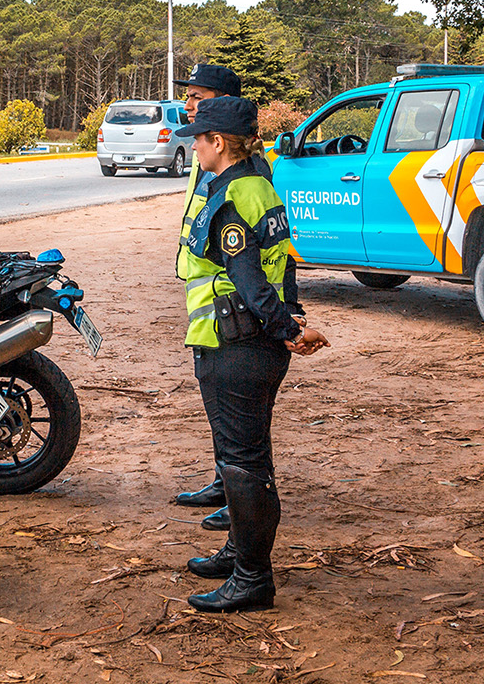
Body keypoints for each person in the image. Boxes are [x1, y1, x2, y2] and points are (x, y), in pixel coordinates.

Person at [173, 95, 328, 612]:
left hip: (235, 341)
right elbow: (281, 265)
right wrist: (289, 319)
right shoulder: (259, 185)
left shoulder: (233, 196)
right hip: (247, 339)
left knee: (242, 463)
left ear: (218, 143)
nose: (192, 146)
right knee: (243, 455)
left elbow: (249, 278)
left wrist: (288, 328)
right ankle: (239, 549)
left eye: (197, 138)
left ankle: (252, 577)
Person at [173, 64, 304, 532]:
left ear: (220, 138)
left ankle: (247, 553)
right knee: (243, 441)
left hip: (236, 329)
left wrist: (289, 322)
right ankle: (230, 495)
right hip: (240, 324)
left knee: (245, 446)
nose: (189, 111)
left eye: (198, 100)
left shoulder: (242, 183)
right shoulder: (234, 170)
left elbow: (256, 269)